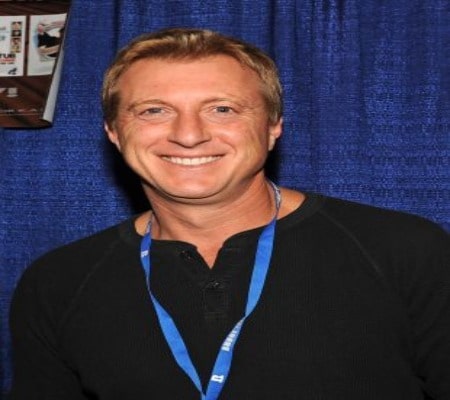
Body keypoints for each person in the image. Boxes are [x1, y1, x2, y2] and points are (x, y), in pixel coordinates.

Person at [9, 28, 450, 400]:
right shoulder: (58, 283)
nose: (188, 135)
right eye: (154, 111)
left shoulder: (405, 252)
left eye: (222, 109)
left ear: (273, 126)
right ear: (114, 131)